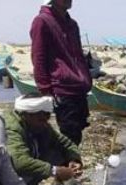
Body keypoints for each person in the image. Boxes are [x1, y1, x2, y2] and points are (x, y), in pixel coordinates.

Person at [30, 0, 92, 145]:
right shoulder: (42, 21)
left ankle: (72, 165)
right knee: (69, 136)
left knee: (77, 133)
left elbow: (78, 56)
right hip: (62, 89)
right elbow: (38, 57)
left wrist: (87, 79)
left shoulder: (72, 24)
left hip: (79, 88)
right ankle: (67, 166)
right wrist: (45, 89)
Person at [5, 94, 83, 185]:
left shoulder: (40, 125)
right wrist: (54, 171)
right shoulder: (12, 129)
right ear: (27, 115)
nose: (45, 124)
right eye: (41, 120)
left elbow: (65, 143)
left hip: (31, 162)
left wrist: (74, 160)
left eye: (47, 119)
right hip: (5, 175)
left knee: (58, 152)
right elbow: (20, 162)